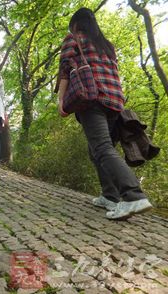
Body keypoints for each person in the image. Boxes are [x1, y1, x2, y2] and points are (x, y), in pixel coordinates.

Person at [56, 8, 152, 220]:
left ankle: (133, 196)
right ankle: (109, 196)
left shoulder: (74, 38)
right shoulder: (107, 46)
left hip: (92, 98)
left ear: (76, 24)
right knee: (96, 149)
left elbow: (65, 69)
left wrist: (61, 99)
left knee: (101, 147)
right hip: (115, 101)